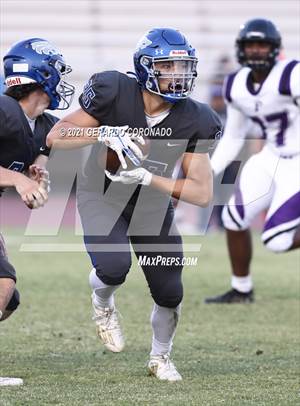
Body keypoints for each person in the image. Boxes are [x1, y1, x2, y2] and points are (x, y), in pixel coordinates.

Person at [47, 27, 222, 381]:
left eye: (184, 66)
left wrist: (147, 178)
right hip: (102, 193)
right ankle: (103, 302)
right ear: (146, 68)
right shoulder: (114, 90)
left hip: (151, 203)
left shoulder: (196, 118)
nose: (179, 75)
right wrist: (104, 132)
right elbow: (56, 135)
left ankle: (161, 357)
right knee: (113, 267)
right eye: (169, 66)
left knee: (169, 290)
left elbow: (202, 193)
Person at [205, 18, 300, 304]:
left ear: (274, 48)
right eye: (251, 45)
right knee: (232, 218)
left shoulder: (292, 75)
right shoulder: (235, 84)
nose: (256, 51)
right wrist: (207, 172)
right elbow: (234, 136)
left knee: (276, 241)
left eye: (262, 45)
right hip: (271, 155)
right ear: (241, 48)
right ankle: (241, 289)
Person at [0, 38, 74, 386]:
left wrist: (34, 181)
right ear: (40, 72)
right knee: (2, 281)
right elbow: (15, 176)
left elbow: (34, 174)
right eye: (56, 69)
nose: (60, 77)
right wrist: (17, 178)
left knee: (9, 301)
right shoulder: (3, 110)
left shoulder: (43, 125)